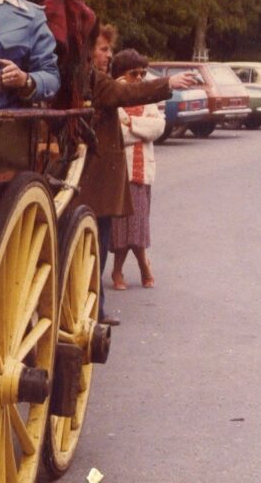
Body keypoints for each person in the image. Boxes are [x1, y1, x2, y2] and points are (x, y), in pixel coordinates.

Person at [76, 25, 197, 325]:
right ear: (88, 50)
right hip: (98, 181)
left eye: (109, 50)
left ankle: (96, 307)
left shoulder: (91, 80)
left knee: (99, 247)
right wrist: (168, 83)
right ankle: (93, 309)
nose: (108, 55)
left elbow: (151, 124)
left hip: (104, 178)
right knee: (97, 247)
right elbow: (129, 93)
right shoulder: (97, 81)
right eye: (103, 49)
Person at [110, 49, 165, 290]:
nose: (140, 78)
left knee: (138, 224)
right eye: (134, 74)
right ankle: (137, 267)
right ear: (121, 76)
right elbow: (116, 135)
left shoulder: (148, 99)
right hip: (121, 173)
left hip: (142, 175)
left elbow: (159, 127)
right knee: (123, 226)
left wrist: (132, 123)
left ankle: (125, 269)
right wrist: (142, 131)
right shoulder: (113, 97)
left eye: (143, 73)